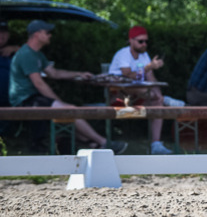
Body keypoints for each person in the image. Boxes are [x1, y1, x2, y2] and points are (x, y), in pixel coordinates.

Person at [8, 20, 127, 154]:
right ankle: (103, 143)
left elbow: (54, 73)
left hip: (33, 98)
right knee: (70, 110)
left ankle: (93, 144)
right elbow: (39, 84)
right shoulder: (27, 54)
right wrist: (59, 103)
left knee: (68, 113)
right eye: (47, 32)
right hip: (25, 101)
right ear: (37, 34)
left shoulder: (36, 54)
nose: (50, 35)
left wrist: (79, 74)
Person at [108, 25, 173, 155]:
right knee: (142, 89)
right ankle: (165, 100)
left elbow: (150, 77)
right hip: (120, 97)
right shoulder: (123, 54)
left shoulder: (144, 55)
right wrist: (149, 67)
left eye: (146, 41)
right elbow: (127, 76)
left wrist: (158, 95)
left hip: (139, 97)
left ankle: (156, 144)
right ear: (131, 40)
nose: (144, 44)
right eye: (140, 41)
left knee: (157, 103)